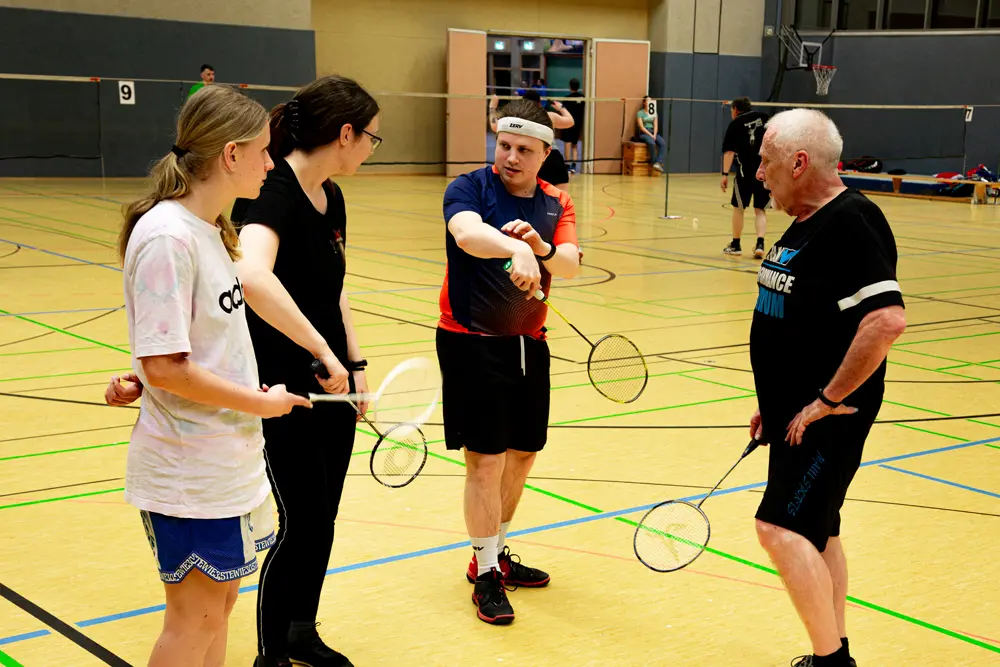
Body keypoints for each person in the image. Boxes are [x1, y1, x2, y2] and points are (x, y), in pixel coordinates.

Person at [106, 85, 310, 667]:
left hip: (225, 463)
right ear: (230, 154)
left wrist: (144, 379)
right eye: (264, 151)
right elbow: (167, 366)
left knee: (218, 613)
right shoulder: (169, 236)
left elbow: (176, 351)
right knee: (192, 623)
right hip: (188, 473)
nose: (271, 163)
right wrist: (256, 402)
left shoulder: (210, 228)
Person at [230, 75, 381, 667]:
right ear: (345, 134)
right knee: (299, 522)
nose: (372, 146)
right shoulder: (273, 191)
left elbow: (334, 290)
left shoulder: (332, 196)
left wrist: (356, 361)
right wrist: (322, 352)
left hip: (333, 387)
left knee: (324, 520)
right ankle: (269, 653)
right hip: (281, 387)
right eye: (371, 136)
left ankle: (300, 632)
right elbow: (253, 277)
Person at [749, 108, 906, 667]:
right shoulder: (805, 219)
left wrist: (826, 401)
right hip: (792, 414)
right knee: (818, 532)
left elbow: (885, 321)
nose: (759, 172)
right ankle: (834, 653)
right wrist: (772, 402)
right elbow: (796, 316)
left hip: (825, 420)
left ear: (797, 161)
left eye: (766, 161)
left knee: (777, 528)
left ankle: (831, 663)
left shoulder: (852, 221)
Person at [438, 97, 580, 625]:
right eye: (504, 145)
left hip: (528, 341)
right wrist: (512, 249)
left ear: (545, 153)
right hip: (470, 339)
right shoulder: (470, 187)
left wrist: (539, 248)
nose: (511, 157)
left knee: (522, 454)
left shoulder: (555, 202)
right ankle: (487, 569)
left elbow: (569, 264)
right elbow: (467, 233)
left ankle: (491, 558)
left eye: (523, 149)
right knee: (486, 459)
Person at [489, 90, 574, 191]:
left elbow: (495, 126)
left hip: (535, 159)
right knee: (559, 202)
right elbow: (570, 122)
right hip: (553, 158)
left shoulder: (516, 118)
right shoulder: (550, 116)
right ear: (539, 103)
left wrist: (492, 107)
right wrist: (561, 107)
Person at [722, 97, 771, 258]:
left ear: (735, 109)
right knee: (760, 210)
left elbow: (729, 152)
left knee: (739, 208)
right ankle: (760, 244)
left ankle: (736, 244)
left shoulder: (735, 124)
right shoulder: (765, 118)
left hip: (744, 174)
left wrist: (724, 175)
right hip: (764, 173)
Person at [633, 96, 666, 172]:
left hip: (653, 132)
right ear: (644, 102)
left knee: (662, 143)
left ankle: (658, 162)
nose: (649, 102)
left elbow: (655, 125)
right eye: (647, 101)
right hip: (644, 133)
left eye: (650, 101)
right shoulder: (640, 113)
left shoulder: (653, 112)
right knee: (651, 143)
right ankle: (653, 162)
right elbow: (641, 127)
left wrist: (654, 134)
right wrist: (650, 135)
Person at [561, 78, 585, 174]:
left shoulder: (567, 99)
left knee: (567, 143)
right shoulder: (582, 97)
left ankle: (567, 165)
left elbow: (562, 111)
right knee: (574, 145)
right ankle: (574, 166)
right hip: (577, 124)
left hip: (568, 123)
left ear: (570, 86)